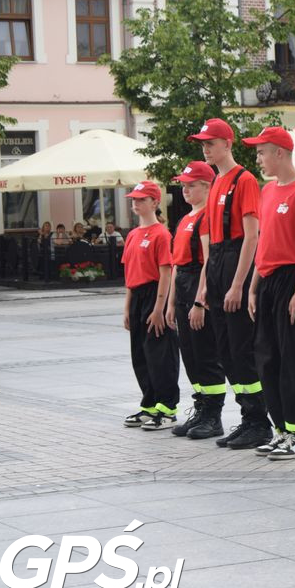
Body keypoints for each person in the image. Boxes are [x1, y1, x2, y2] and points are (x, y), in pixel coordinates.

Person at [190, 118, 272, 450]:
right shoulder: (216, 183)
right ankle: (247, 416)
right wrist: (208, 286)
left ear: (227, 144)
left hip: (238, 260)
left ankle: (259, 421)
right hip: (219, 263)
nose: (205, 148)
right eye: (203, 143)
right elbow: (211, 245)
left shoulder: (244, 180)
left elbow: (252, 235)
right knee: (226, 351)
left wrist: (238, 284)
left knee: (242, 348)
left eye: (211, 142)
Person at [241, 127, 295, 460]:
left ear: (280, 153)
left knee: (292, 358)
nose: (258, 159)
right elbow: (265, 243)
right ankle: (282, 430)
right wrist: (253, 287)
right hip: (268, 279)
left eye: (261, 152)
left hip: (292, 278)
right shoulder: (267, 191)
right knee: (266, 358)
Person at [165, 161, 228, 440]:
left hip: (197, 285)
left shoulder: (207, 218)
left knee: (205, 354)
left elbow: (208, 260)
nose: (185, 190)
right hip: (182, 286)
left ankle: (213, 416)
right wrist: (170, 302)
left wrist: (200, 301)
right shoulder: (184, 219)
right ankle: (201, 408)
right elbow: (176, 264)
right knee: (190, 355)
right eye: (183, 185)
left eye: (192, 185)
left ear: (207, 186)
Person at [121, 181, 180, 430]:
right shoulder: (133, 235)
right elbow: (129, 274)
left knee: (160, 354)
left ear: (155, 203)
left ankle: (167, 408)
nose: (136, 203)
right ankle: (150, 404)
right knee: (141, 354)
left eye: (142, 199)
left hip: (155, 294)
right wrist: (127, 307)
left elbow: (166, 272)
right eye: (134, 199)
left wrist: (159, 308)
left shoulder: (161, 234)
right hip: (137, 296)